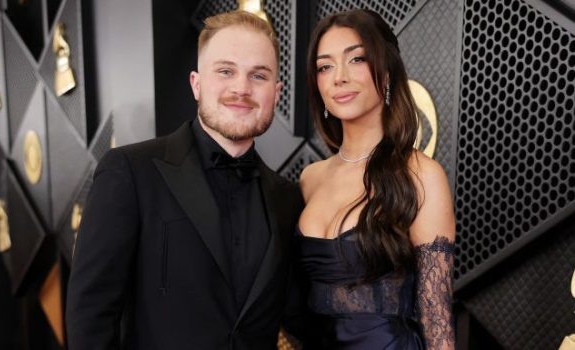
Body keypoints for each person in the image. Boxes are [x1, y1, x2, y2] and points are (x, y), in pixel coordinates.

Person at [66, 10, 303, 350]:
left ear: (276, 93)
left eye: (258, 76)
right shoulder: (129, 171)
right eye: (225, 71)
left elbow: (299, 314)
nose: (241, 88)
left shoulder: (287, 198)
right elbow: (90, 315)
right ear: (196, 84)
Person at [296, 9, 455, 349]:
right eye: (324, 66)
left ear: (386, 72)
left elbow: (436, 314)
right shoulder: (310, 178)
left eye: (356, 59)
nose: (338, 76)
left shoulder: (420, 174)